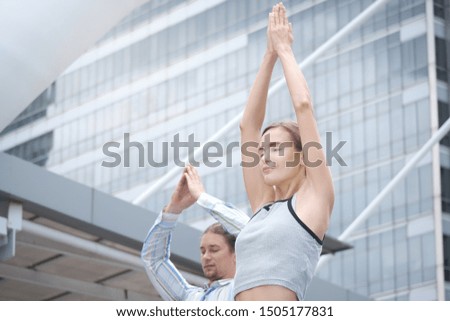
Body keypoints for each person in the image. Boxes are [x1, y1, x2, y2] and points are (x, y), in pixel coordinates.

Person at [233, 3, 334, 301]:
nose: (264, 156)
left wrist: (285, 50)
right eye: (262, 151)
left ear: (303, 156)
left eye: (275, 148)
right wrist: (268, 55)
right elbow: (247, 128)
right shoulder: (262, 204)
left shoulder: (315, 199)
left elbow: (303, 105)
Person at [141, 166, 249, 301]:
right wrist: (173, 209)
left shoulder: (247, 287)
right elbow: (153, 260)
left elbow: (252, 233)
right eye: (203, 251)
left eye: (214, 250)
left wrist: (202, 197)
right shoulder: (190, 297)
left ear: (236, 255)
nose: (206, 257)